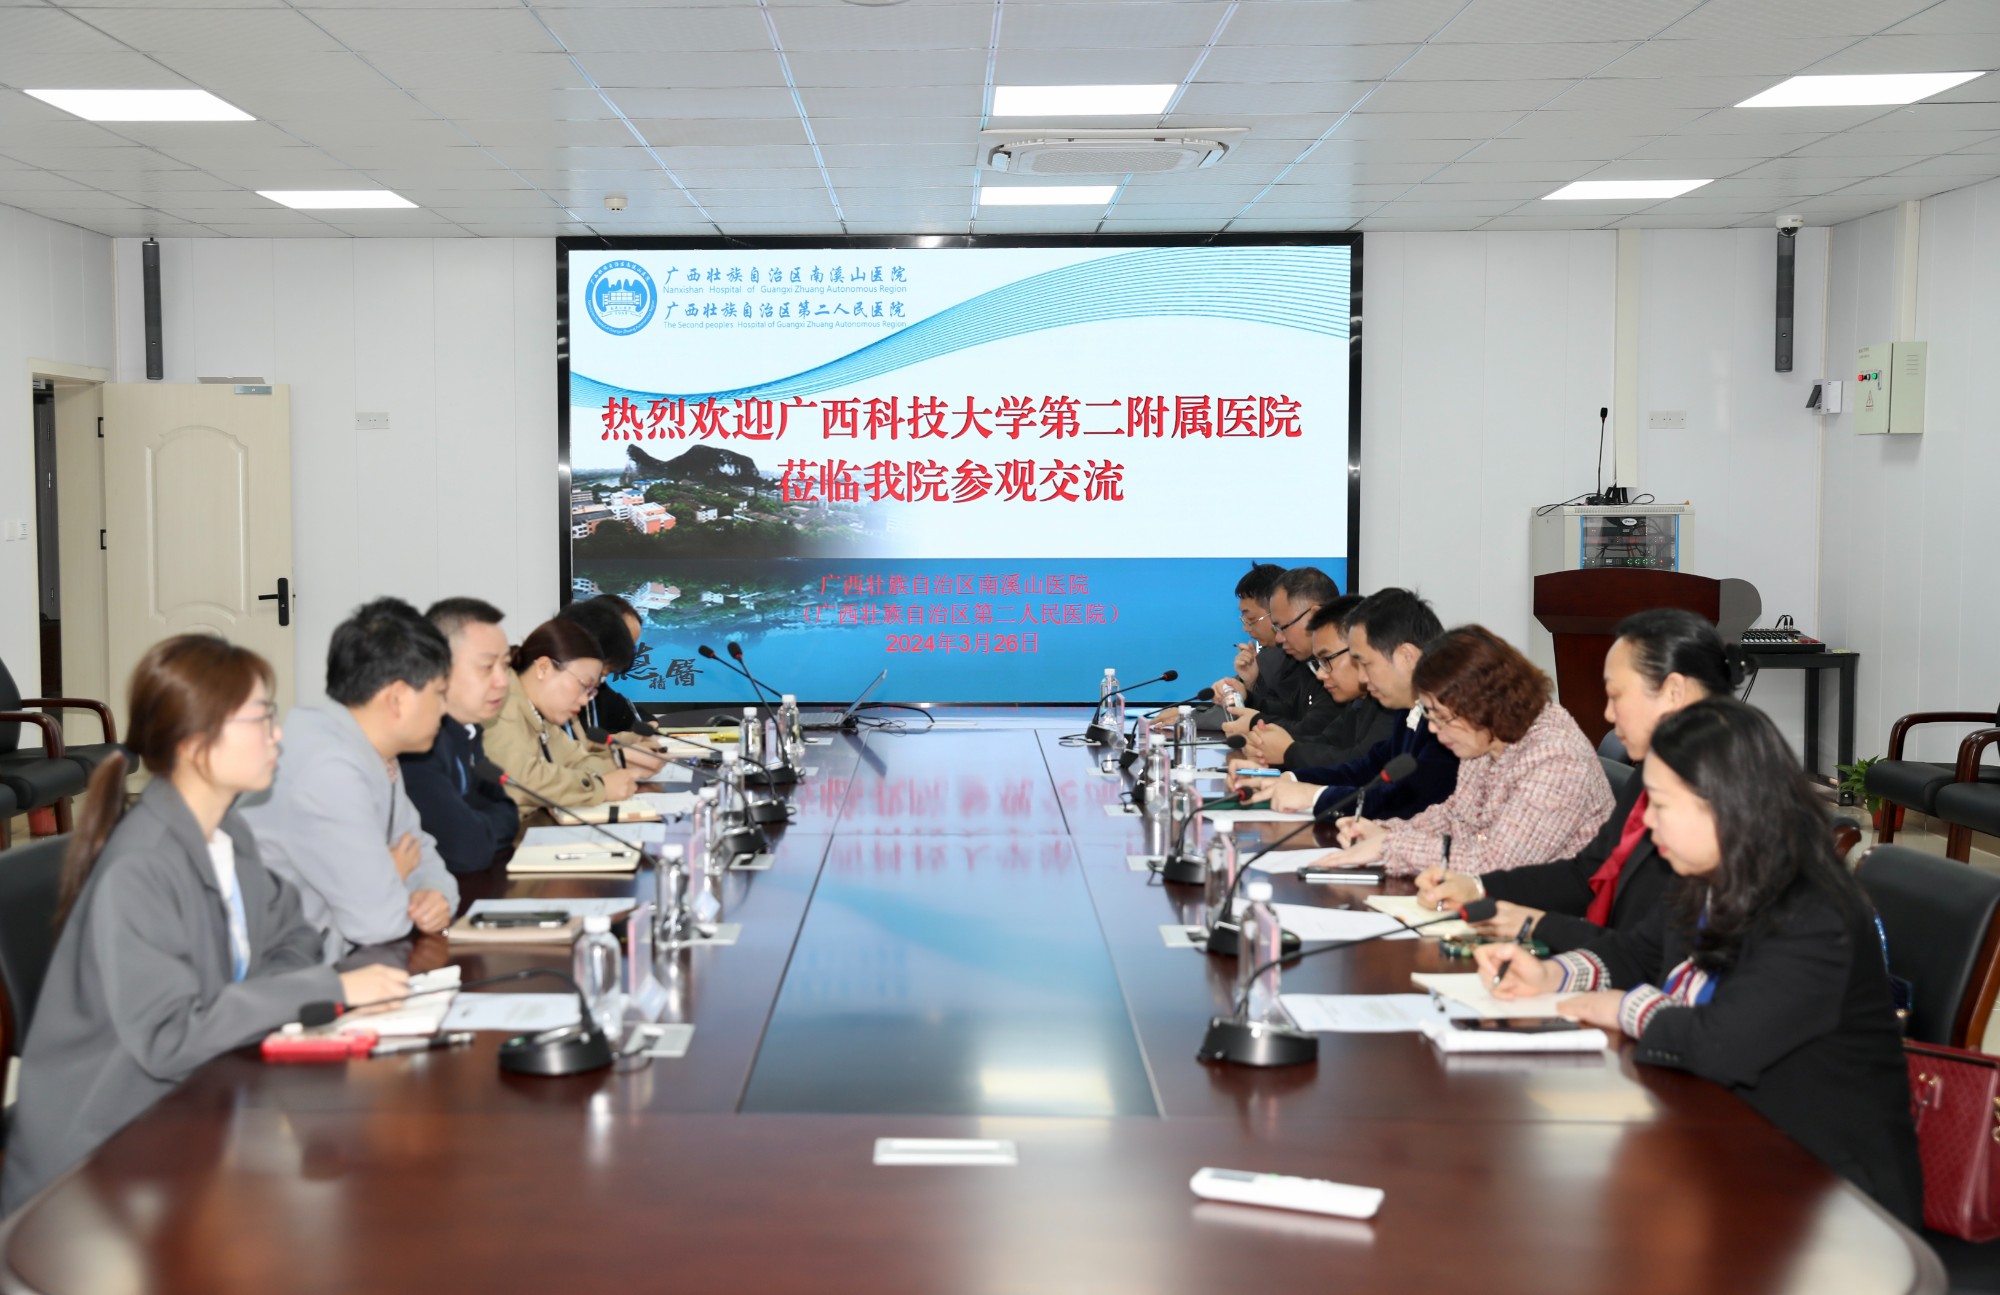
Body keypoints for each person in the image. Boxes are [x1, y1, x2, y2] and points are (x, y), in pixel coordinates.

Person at [1476, 697, 1923, 1227]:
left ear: (1726, 804)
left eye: (1662, 805)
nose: (1649, 823)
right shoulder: (1708, 874)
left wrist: (1622, 1007)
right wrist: (1554, 973)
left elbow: (1721, 1044)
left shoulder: (1814, 913)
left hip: (1826, 1194)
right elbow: (1638, 951)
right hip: (1724, 1139)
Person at [0, 637, 407, 1215]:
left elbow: (294, 935)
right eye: (261, 718)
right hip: (100, 1158)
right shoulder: (141, 867)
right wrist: (326, 988)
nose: (278, 735)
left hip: (192, 1100)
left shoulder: (228, 831)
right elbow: (169, 1037)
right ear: (195, 743)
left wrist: (264, 997)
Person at [1417, 609, 1746, 950]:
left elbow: (1649, 953)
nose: (1607, 714)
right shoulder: (1655, 770)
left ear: (1673, 691)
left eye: (1616, 695)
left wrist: (1537, 930)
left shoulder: (1726, 795)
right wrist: (1479, 887)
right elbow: (1586, 872)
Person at [240, 598, 460, 956]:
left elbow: (420, 851)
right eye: (439, 694)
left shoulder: (369, 748)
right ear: (397, 698)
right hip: (284, 973)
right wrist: (393, 876)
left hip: (333, 955)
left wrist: (434, 893)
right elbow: (378, 922)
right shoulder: (327, 768)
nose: (444, 709)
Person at [1315, 625, 1610, 878]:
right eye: (1429, 714)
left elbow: (1495, 864)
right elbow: (1457, 816)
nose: (1433, 729)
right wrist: (1386, 832)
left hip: (1550, 914)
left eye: (1442, 717)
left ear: (1484, 704)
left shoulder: (1556, 758)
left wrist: (1389, 847)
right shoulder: (1488, 736)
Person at [1237, 588, 1459, 822]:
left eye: (1365, 663)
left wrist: (1314, 796)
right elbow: (1368, 769)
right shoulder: (1409, 710)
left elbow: (1406, 802)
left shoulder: (1452, 721)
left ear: (1407, 656)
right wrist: (1289, 780)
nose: (1362, 677)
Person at [398, 597, 520, 875]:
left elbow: (507, 810)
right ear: (439, 667)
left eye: (505, 665)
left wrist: (479, 824)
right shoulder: (418, 745)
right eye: (487, 667)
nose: (502, 681)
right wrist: (480, 825)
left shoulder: (468, 730)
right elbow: (467, 849)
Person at [483, 618, 640, 810]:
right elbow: (517, 781)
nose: (585, 701)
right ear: (543, 668)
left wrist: (618, 764)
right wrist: (599, 788)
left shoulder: (540, 714)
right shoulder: (498, 701)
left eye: (591, 691)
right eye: (584, 685)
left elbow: (578, 760)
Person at [1243, 595, 1395, 771]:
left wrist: (1287, 752)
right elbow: (1326, 742)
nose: (1321, 674)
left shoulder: (1393, 706)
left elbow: (1362, 765)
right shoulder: (1359, 701)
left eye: (1326, 659)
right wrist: (1270, 747)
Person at [553, 595, 667, 777]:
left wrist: (638, 738)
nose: (586, 698)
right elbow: (548, 773)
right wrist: (619, 761)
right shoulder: (524, 706)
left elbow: (583, 749)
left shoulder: (591, 688)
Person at [1208, 563, 1287, 712]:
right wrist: (1250, 683)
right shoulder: (1265, 658)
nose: (1245, 628)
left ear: (1277, 611)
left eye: (1251, 619)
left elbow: (1285, 717)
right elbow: (1269, 710)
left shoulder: (1289, 659)